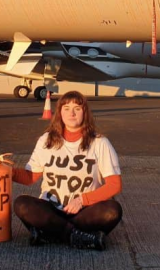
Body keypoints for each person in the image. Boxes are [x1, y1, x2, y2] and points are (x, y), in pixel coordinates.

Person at [8, 90, 123, 250]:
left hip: (84, 212)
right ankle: (77, 236)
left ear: (85, 113)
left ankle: (48, 234)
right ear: (59, 112)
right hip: (51, 209)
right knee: (22, 204)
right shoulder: (46, 140)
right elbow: (30, 176)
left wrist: (82, 200)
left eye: (77, 108)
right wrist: (6, 171)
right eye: (66, 108)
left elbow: (114, 185)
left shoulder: (100, 142)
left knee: (112, 210)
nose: (72, 113)